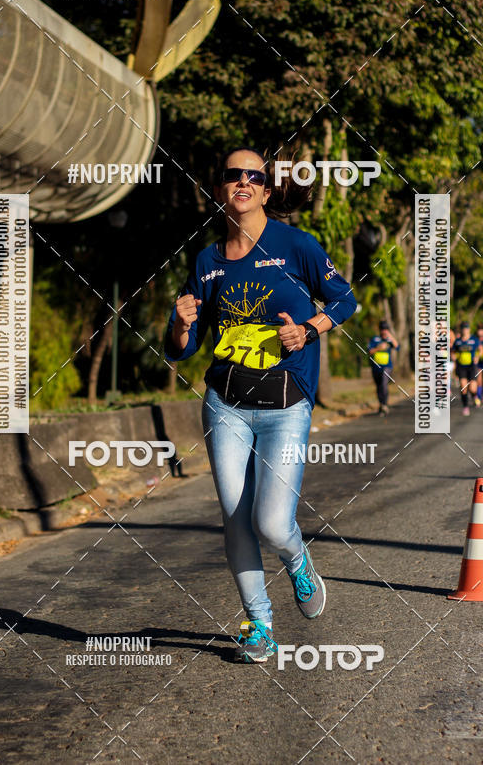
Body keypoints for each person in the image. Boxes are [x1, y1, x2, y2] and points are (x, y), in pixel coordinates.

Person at [164, 147, 357, 664]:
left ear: (267, 191)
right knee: (234, 517)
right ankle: (258, 623)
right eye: (233, 175)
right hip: (225, 404)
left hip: (287, 403)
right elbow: (181, 348)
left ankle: (297, 559)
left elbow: (344, 300)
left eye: (255, 176)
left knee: (272, 522)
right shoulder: (206, 261)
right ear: (222, 189)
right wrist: (181, 322)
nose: (243, 182)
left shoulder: (297, 246)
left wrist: (309, 329)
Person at [368, 320, 400, 415]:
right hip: (376, 367)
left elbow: (397, 346)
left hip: (387, 367)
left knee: (384, 384)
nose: (384, 331)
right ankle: (381, 404)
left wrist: (390, 336)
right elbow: (370, 351)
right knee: (379, 386)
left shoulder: (389, 340)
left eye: (386, 329)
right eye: (382, 329)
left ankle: (385, 404)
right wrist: (379, 348)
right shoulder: (375, 339)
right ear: (380, 330)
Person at [451, 321, 480, 415]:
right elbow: (453, 351)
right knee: (463, 387)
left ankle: (474, 396)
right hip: (461, 366)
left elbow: (481, 349)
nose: (465, 330)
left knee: (472, 388)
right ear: (461, 330)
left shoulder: (474, 340)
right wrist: (453, 356)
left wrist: (477, 356)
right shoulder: (458, 341)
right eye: (463, 328)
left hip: (471, 366)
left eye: (466, 328)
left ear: (469, 330)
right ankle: (466, 407)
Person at [475, 325, 483, 402]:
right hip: (477, 363)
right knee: (479, 380)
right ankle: (478, 396)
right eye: (479, 335)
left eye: (482, 335)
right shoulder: (475, 340)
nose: (480, 337)